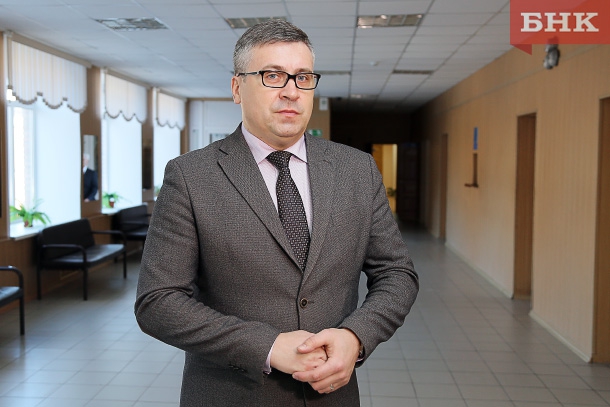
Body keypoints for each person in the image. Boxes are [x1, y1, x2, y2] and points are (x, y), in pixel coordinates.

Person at [135, 19, 419, 407]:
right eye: (272, 76)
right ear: (237, 88)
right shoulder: (190, 176)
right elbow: (157, 302)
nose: (291, 91)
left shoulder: (357, 169)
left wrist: (355, 336)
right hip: (233, 396)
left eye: (303, 77)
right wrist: (266, 346)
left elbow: (397, 273)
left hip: (330, 396)